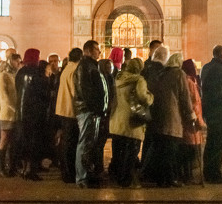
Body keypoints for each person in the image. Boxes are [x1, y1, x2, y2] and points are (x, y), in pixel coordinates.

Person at [141, 46, 194, 187]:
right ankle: (169, 179)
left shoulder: (160, 73)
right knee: (170, 150)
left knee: (160, 149)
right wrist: (190, 115)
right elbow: (185, 97)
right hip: (172, 118)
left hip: (157, 117)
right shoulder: (178, 74)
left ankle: (160, 179)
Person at [109, 57, 153, 187]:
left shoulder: (118, 78)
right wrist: (151, 97)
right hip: (131, 121)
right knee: (130, 153)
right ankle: (125, 180)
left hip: (116, 119)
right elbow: (143, 97)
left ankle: (116, 177)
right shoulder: (139, 80)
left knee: (118, 152)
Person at [73, 39, 109, 188]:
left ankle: (88, 175)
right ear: (87, 50)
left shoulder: (91, 66)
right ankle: (82, 178)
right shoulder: (85, 67)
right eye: (96, 49)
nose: (99, 52)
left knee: (89, 144)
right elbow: (86, 91)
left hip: (92, 111)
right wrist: (95, 109)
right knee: (85, 144)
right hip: (87, 111)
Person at [201, 44, 222, 183]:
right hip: (221, 112)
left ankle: (207, 171)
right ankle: (214, 173)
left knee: (210, 142)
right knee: (218, 144)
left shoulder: (206, 67)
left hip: (209, 110)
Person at [16, 48, 49, 180]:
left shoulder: (20, 72)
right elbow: (44, 93)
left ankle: (24, 169)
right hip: (35, 113)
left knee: (24, 141)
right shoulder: (37, 73)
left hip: (22, 113)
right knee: (34, 143)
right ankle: (31, 171)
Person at [55, 47, 83, 183]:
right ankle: (68, 173)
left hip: (63, 109)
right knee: (70, 144)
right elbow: (75, 91)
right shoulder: (75, 70)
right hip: (71, 110)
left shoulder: (67, 68)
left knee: (66, 142)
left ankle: (65, 171)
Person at [0, 50, 22, 176]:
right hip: (7, 113)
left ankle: (12, 166)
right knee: (4, 139)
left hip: (15, 112)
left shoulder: (14, 74)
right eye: (16, 60)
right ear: (10, 61)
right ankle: (1, 168)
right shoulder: (3, 76)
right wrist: (12, 107)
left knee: (13, 141)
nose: (18, 63)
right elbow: (4, 96)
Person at [181, 58, 206, 183]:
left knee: (188, 149)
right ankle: (188, 176)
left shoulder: (188, 80)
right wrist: (200, 121)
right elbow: (195, 102)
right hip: (192, 121)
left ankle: (187, 174)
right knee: (191, 149)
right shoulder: (190, 82)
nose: (196, 70)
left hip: (188, 119)